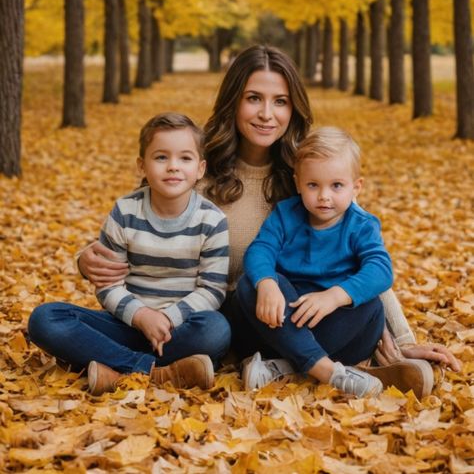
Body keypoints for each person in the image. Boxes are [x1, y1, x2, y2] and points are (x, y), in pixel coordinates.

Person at [77, 45, 461, 396]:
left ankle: (325, 369)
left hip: (299, 317)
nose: (266, 113)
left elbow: (360, 255)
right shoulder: (195, 169)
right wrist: (86, 260)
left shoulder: (311, 177)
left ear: (293, 108)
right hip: (225, 322)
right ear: (233, 102)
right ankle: (331, 369)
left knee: (357, 307)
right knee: (251, 286)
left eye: (280, 101)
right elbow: (142, 227)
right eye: (254, 99)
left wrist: (401, 335)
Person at [28, 112, 231, 396]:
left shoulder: (212, 220)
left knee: (216, 330)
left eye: (184, 158)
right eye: (161, 157)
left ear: (200, 168)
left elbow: (212, 289)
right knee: (45, 318)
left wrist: (168, 319)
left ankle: (114, 367)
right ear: (142, 166)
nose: (173, 167)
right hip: (125, 324)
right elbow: (108, 284)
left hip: (179, 330)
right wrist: (142, 316)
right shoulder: (125, 211)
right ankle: (152, 370)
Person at [237, 127, 394, 397]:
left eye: (336, 186)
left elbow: (381, 270)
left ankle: (285, 367)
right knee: (249, 284)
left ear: (356, 187)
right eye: (313, 185)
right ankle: (328, 372)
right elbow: (260, 250)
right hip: (281, 322)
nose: (324, 196)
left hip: (334, 328)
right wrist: (267, 285)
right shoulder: (287, 214)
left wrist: (335, 296)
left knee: (370, 305)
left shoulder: (361, 225)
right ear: (298, 183)